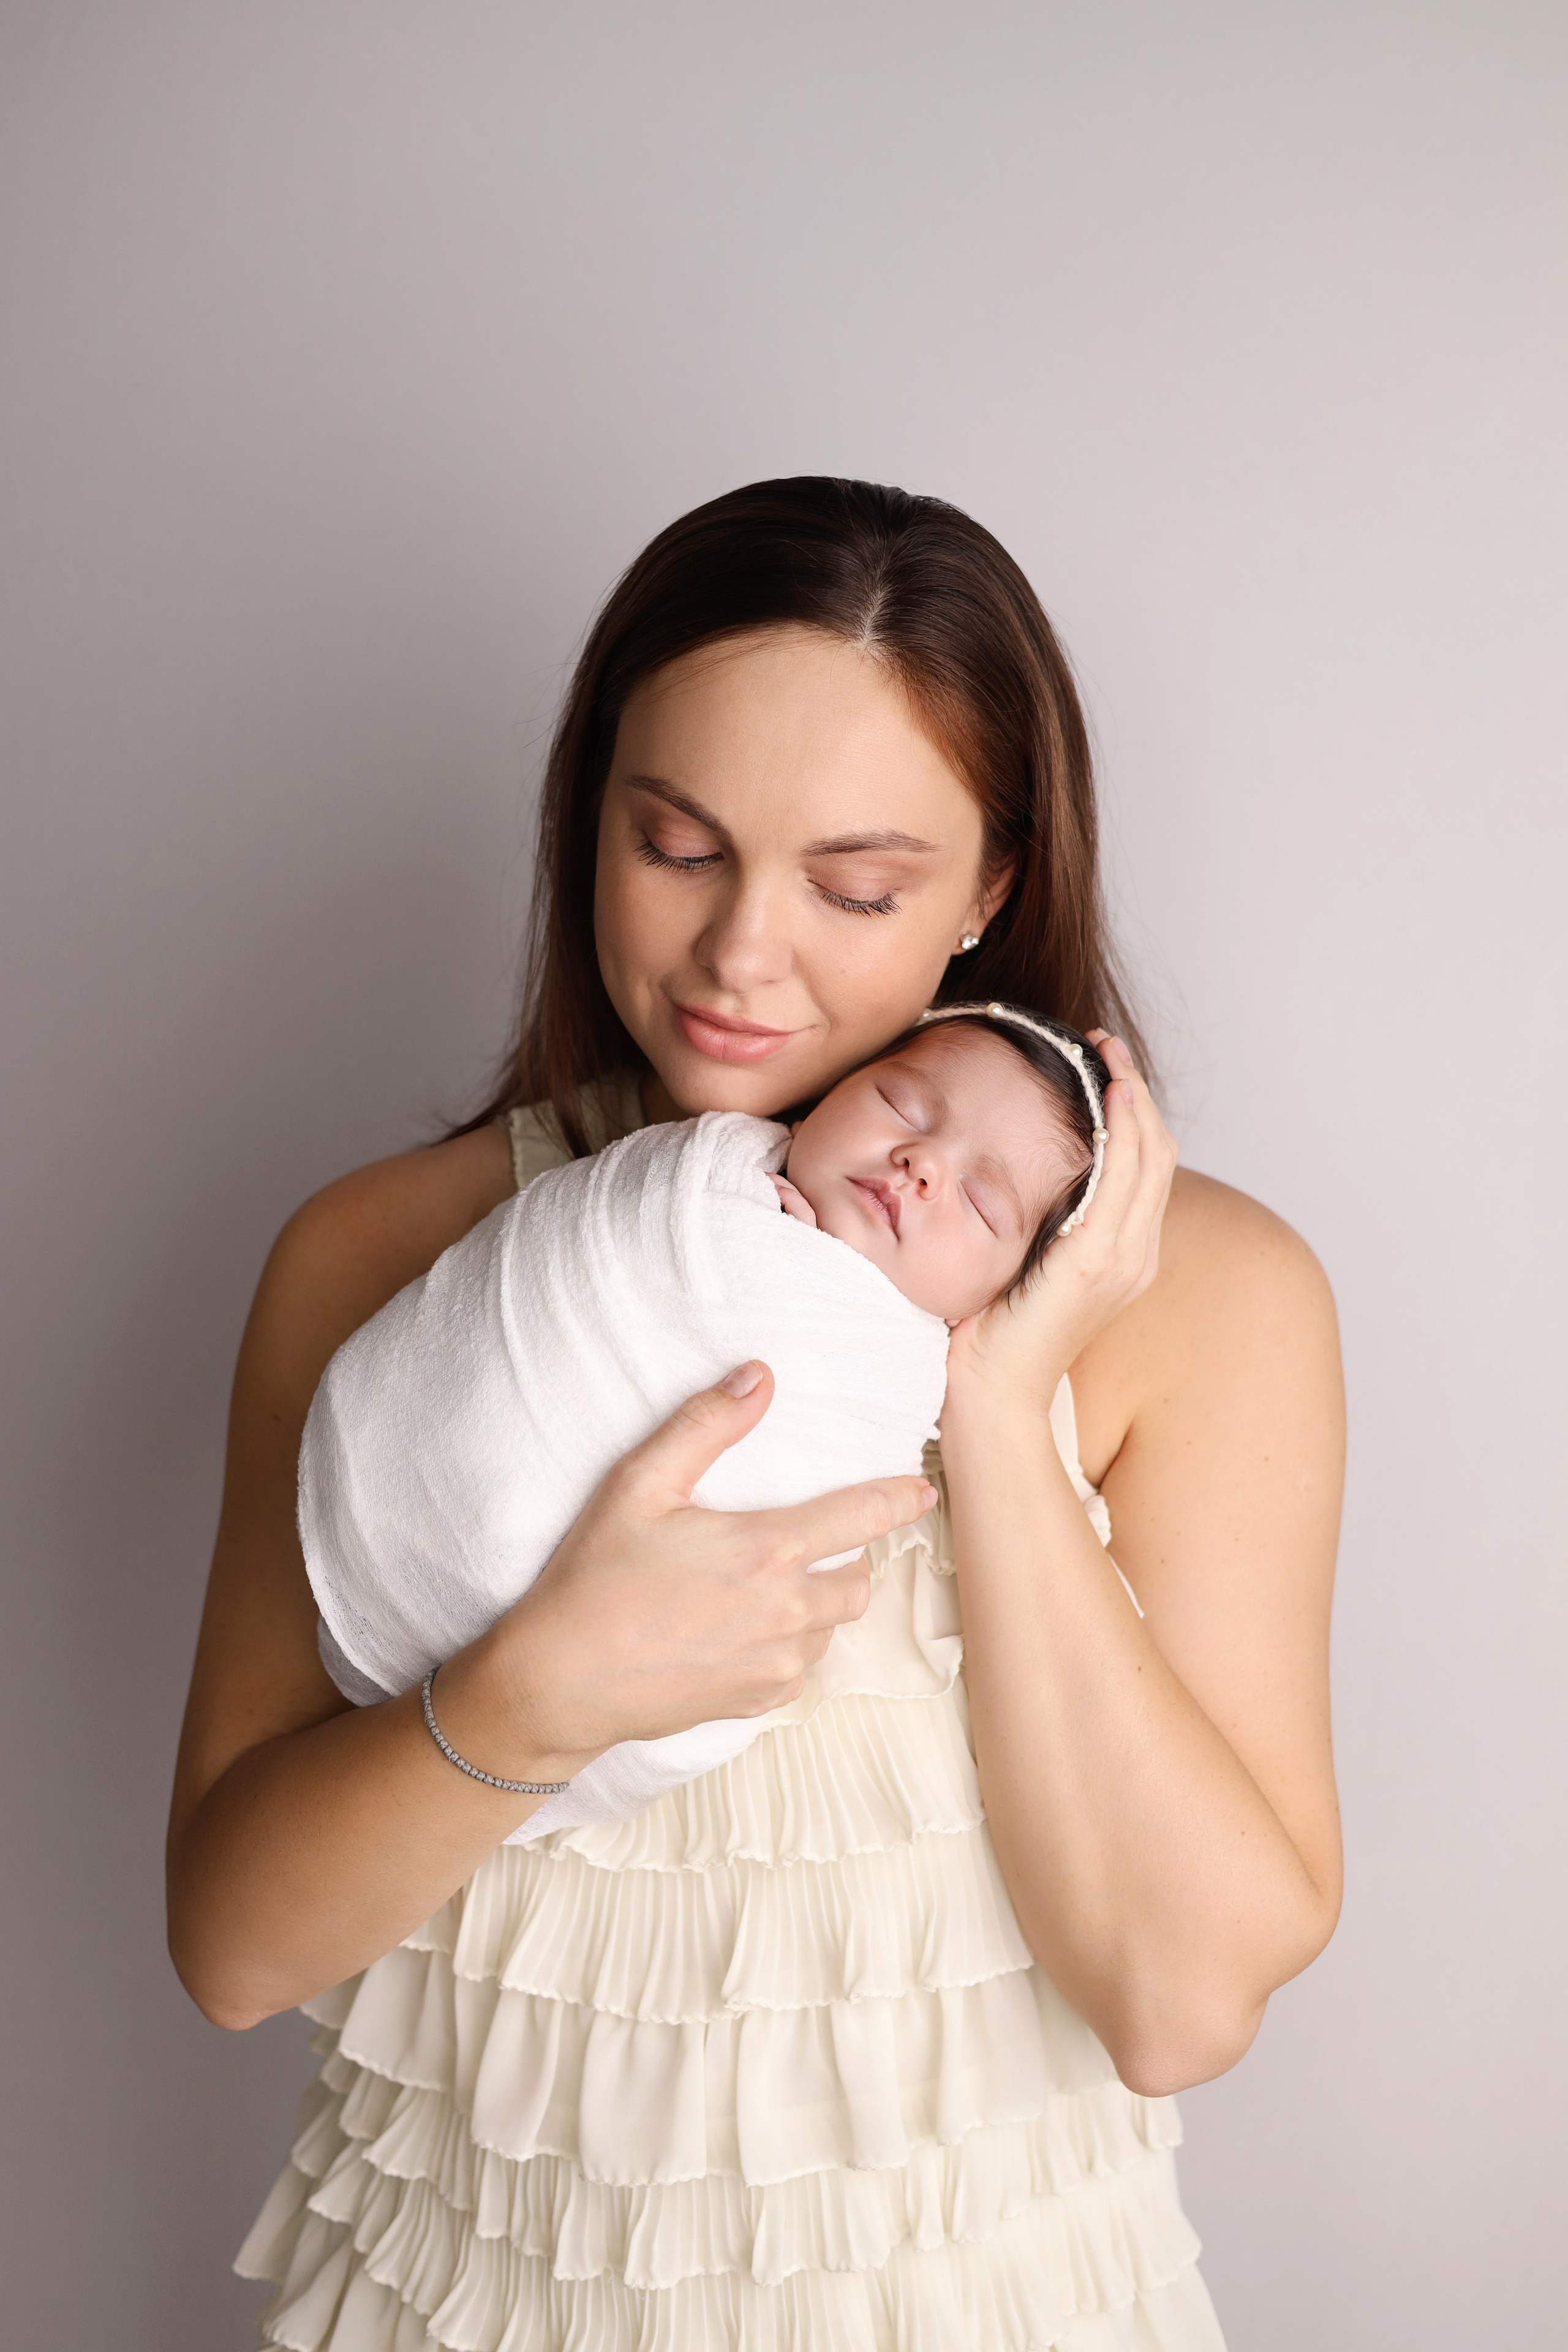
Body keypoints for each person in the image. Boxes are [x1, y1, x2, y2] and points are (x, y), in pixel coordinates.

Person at [168, 478, 1345, 2350]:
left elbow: (1179, 2003)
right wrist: (531, 1700)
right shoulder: (399, 1257)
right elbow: (234, 1953)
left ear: (992, 891)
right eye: (677, 845)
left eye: (859, 886)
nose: (739, 957)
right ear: (589, 828)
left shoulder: (1204, 1306)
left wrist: (1001, 1388)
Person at [298, 1005, 1112, 1841]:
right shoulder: (711, 1174)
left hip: (597, 1697)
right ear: (828, 1094)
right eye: (902, 1106)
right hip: (428, 1488)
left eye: (982, 1203)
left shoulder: (902, 1372)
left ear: (1013, 1289)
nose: (922, 1164)